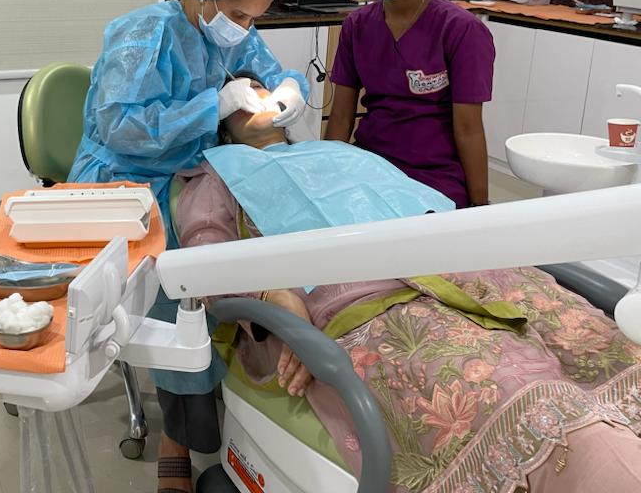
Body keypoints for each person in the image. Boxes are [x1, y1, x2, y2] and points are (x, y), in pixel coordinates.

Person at [176, 91, 641, 493]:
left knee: (602, 344)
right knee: (516, 390)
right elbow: (205, 256)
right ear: (219, 124)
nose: (258, 95)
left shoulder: (340, 152)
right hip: (363, 302)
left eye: (264, 86)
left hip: (463, 265)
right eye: (243, 93)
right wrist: (269, 296)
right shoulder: (215, 178)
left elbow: (424, 204)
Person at [67, 0, 309, 493]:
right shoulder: (143, 33)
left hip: (196, 172)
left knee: (238, 267)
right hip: (128, 184)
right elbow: (121, 127)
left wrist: (291, 88)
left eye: (254, 18)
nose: (245, 28)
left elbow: (270, 71)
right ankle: (177, 441)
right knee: (182, 303)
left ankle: (234, 402)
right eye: (239, 15)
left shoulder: (234, 29)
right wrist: (214, 107)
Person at [325, 0, 496, 208]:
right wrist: (327, 179)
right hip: (370, 163)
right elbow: (340, 116)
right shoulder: (358, 26)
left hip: (433, 175)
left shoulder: (460, 30)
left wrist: (480, 211)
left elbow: (469, 128)